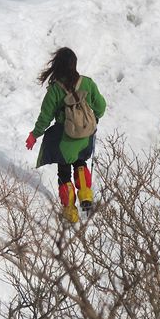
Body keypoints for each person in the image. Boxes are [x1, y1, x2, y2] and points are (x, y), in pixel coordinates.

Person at [26, 47, 106, 223]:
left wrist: (34, 135)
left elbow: (45, 117)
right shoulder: (88, 83)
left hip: (64, 138)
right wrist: (93, 119)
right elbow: (101, 107)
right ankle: (85, 194)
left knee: (64, 172)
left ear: (57, 66)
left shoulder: (55, 89)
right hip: (85, 136)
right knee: (80, 162)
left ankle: (70, 211)